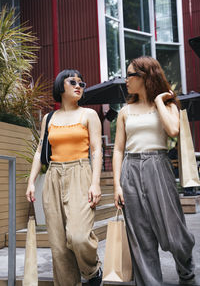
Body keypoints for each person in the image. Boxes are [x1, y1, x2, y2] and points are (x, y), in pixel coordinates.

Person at [113, 56, 195, 286]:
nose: (126, 80)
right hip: (130, 169)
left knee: (174, 232)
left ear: (146, 76)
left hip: (158, 165)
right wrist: (117, 185)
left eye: (130, 75)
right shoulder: (124, 111)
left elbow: (172, 130)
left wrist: (159, 100)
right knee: (140, 236)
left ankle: (187, 274)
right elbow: (118, 149)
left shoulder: (168, 106)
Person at [26, 69, 102, 286]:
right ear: (61, 86)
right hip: (53, 176)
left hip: (80, 173)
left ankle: (92, 270)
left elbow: (96, 150)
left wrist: (95, 183)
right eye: (73, 82)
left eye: (82, 83)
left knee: (78, 236)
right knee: (58, 246)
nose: (79, 85)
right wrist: (31, 181)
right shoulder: (50, 118)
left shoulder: (89, 115)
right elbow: (41, 149)